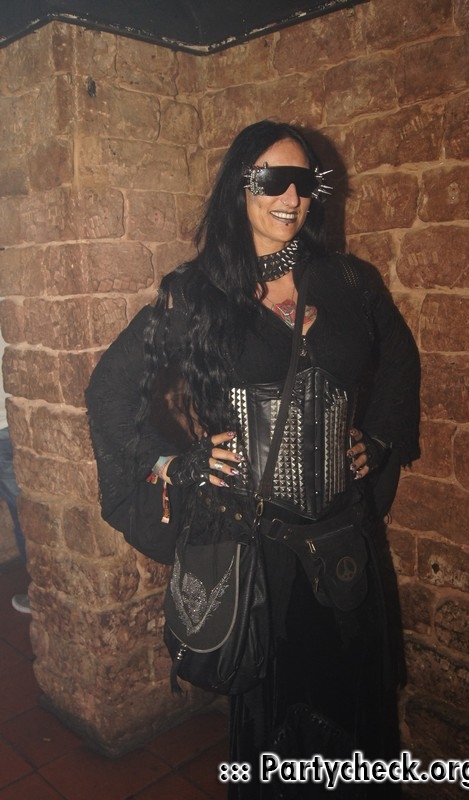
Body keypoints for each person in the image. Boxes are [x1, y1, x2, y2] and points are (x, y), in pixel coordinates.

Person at [86, 120, 420, 797]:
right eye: (272, 179)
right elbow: (109, 392)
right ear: (238, 187)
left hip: (343, 544)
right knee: (275, 729)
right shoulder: (196, 295)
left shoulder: (351, 283)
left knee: (354, 718)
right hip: (256, 555)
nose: (290, 197)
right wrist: (173, 462)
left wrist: (380, 440)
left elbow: (400, 362)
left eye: (303, 181)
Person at [0, 331, 30, 614]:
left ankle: (42, 591)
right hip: (13, 421)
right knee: (24, 509)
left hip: (3, 428)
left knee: (24, 512)